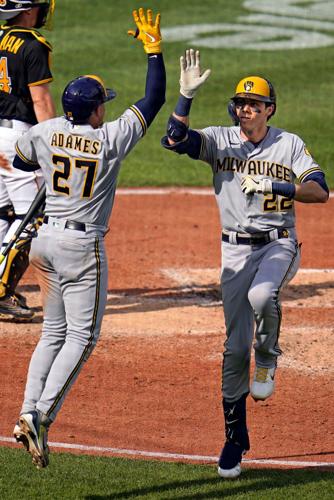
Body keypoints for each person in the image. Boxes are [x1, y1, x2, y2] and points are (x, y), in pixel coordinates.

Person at [161, 49, 329, 478]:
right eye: (240, 103)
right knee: (234, 350)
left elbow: (319, 192)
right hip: (234, 251)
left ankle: (269, 355)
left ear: (269, 110)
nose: (245, 109)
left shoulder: (288, 144)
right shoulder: (220, 138)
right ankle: (235, 438)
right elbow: (175, 141)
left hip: (278, 244)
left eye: (254, 104)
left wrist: (277, 183)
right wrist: (184, 98)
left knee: (262, 293)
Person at [12, 7, 165, 468]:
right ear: (96, 110)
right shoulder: (110, 138)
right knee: (83, 335)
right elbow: (153, 99)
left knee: (51, 333)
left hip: (44, 243)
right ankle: (40, 416)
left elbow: (20, 164)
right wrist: (153, 49)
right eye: (104, 103)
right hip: (81, 249)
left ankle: (24, 411)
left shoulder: (45, 131)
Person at [0, 0, 56, 320]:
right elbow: (41, 100)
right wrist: (52, 148)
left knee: (2, 212)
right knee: (30, 217)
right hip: (19, 138)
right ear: (27, 11)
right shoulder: (33, 46)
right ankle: (1, 290)